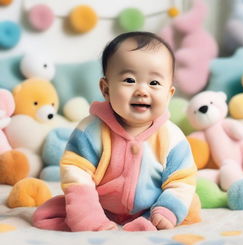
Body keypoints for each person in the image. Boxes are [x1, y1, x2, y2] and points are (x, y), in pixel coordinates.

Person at [32, 31, 201, 232]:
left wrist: (167, 209)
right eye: (129, 80)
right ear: (106, 89)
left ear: (169, 94)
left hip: (150, 206)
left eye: (154, 83)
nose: (142, 90)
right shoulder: (91, 130)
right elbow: (76, 172)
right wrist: (88, 216)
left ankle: (151, 219)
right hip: (99, 205)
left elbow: (181, 179)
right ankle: (96, 218)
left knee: (188, 205)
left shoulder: (172, 138)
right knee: (46, 214)